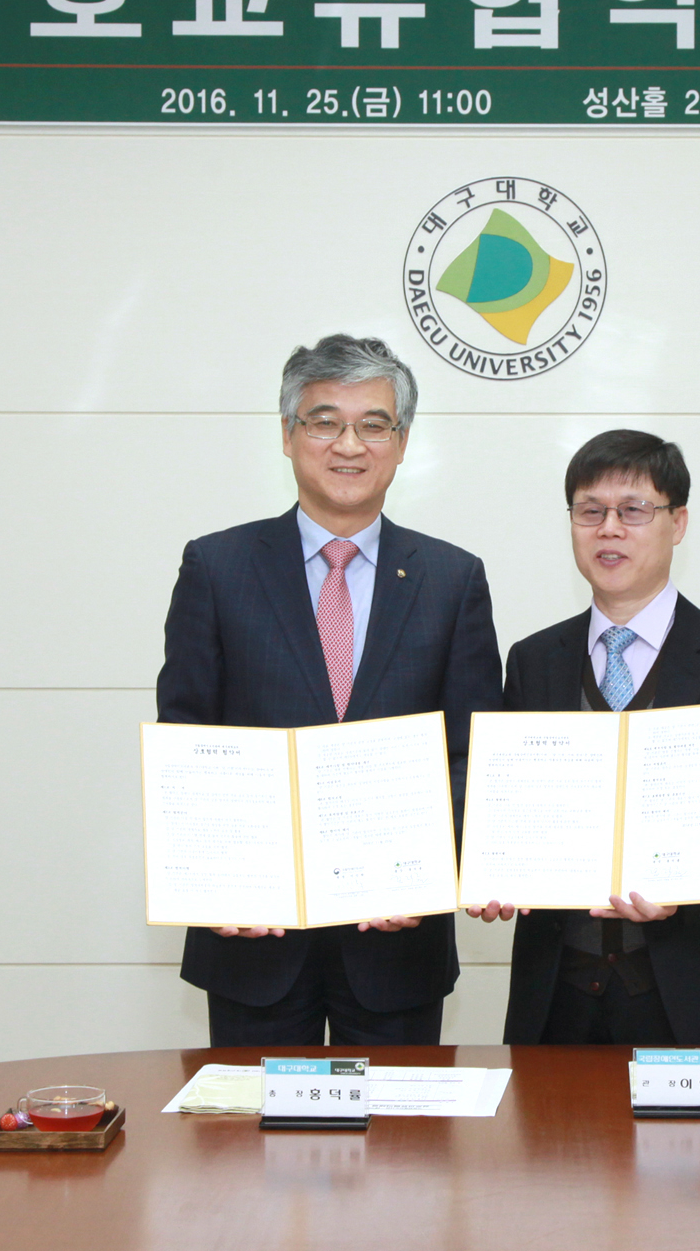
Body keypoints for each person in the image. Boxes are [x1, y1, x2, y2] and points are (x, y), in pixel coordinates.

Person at [157, 333, 501, 1045]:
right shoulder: (217, 567)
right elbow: (187, 741)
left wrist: (425, 872)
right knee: (250, 1119)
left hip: (397, 942)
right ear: (288, 435)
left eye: (374, 424)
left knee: (402, 1120)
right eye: (324, 422)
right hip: (253, 936)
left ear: (401, 444)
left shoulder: (452, 579)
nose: (349, 445)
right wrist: (216, 881)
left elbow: (473, 754)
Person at [470, 429, 700, 1045]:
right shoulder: (533, 659)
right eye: (590, 511)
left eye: (633, 510)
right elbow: (507, 802)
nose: (609, 529)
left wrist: (693, 882)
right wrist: (492, 868)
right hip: (558, 999)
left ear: (677, 522)